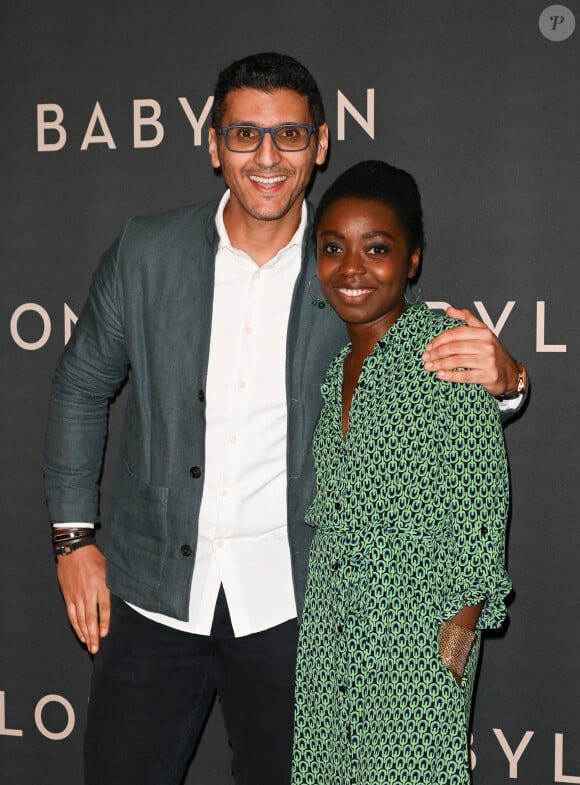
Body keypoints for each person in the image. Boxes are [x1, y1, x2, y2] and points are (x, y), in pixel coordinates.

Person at [43, 54, 524, 785]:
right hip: (152, 598)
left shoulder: (347, 269)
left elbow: (437, 372)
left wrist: (510, 379)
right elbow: (81, 385)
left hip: (299, 611)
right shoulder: (146, 252)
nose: (267, 157)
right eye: (244, 135)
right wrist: (74, 537)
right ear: (213, 145)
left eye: (290, 135)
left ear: (321, 143)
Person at [290, 160, 512, 785]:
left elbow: (481, 511)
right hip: (331, 634)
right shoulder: (335, 368)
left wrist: (450, 659)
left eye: (377, 248)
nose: (351, 268)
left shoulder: (444, 348)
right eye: (333, 248)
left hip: (415, 643)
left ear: (412, 260)